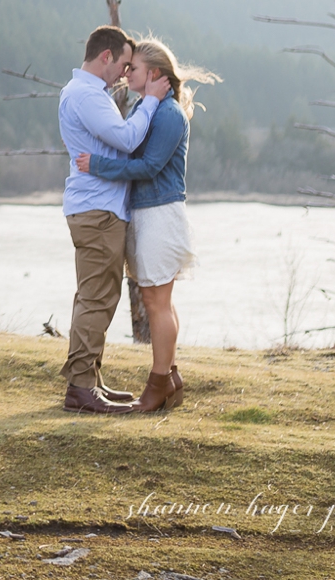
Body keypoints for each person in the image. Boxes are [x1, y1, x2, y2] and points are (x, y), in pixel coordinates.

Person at [75, 35, 218, 413]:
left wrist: (99, 165)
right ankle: (169, 378)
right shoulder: (148, 107)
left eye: (133, 68)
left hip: (160, 214)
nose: (126, 73)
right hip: (147, 213)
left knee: (157, 301)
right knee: (157, 299)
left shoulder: (168, 114)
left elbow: (149, 166)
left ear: (153, 73)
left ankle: (159, 383)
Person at [56, 25, 168, 413]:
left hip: (96, 209)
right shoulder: (87, 96)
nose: (124, 72)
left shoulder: (85, 94)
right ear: (106, 56)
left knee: (99, 296)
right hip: (98, 212)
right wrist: (151, 100)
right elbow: (127, 139)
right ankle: (81, 389)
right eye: (122, 63)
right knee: (96, 298)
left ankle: (90, 381)